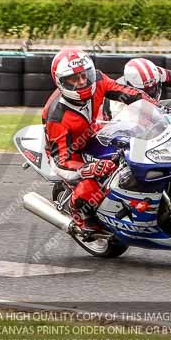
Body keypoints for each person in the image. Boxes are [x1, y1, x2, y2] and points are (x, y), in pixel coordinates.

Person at [42, 48, 157, 233]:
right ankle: (79, 214)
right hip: (70, 152)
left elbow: (128, 93)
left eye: (84, 75)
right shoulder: (57, 117)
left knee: (130, 147)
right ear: (61, 82)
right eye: (74, 79)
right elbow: (60, 162)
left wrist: (154, 107)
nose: (82, 82)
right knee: (94, 182)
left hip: (93, 132)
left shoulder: (99, 80)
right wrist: (88, 169)